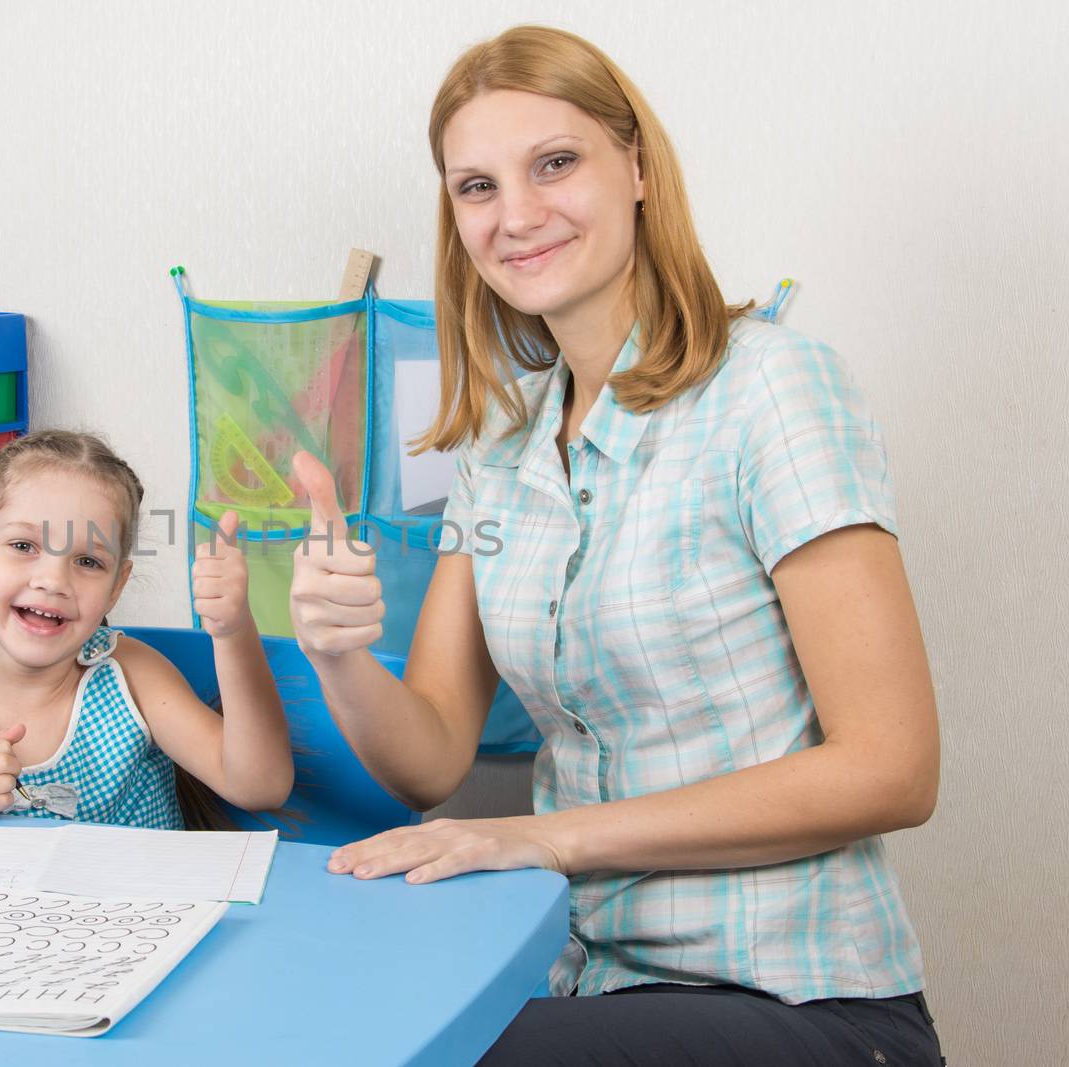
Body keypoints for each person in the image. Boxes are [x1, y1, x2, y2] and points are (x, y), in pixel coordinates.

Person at [289, 25, 944, 1066]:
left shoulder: (773, 386)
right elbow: (430, 754)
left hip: (800, 999)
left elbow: (893, 768)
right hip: (587, 975)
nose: (516, 215)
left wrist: (543, 836)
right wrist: (335, 652)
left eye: (555, 163)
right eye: (475, 187)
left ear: (636, 166)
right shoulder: (498, 448)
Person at [0, 429, 293, 830]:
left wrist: (233, 631)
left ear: (117, 585)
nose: (52, 580)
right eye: (24, 546)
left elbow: (261, 788)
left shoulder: (131, 675)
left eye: (87, 561)